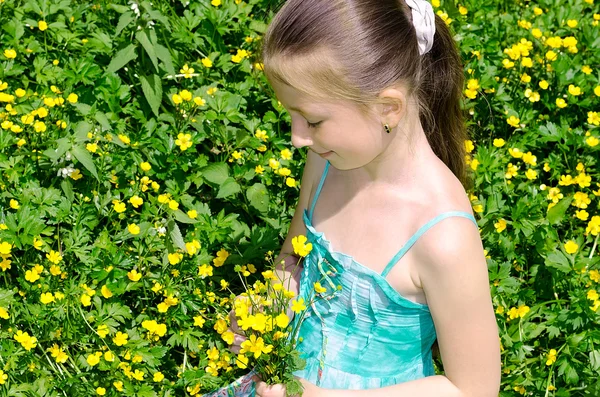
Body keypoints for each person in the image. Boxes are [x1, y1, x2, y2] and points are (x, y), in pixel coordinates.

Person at [231, 0, 501, 395]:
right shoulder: (325, 164)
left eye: (313, 120)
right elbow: (294, 256)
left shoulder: (442, 236)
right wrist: (269, 311)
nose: (297, 137)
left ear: (387, 108)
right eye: (290, 115)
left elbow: (474, 388)